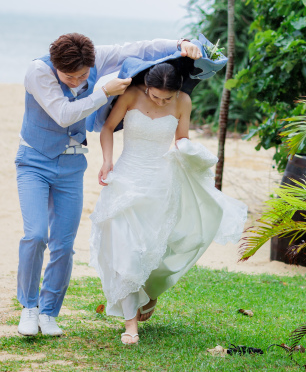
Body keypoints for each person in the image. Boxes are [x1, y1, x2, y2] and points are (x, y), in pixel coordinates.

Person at [15, 33, 202, 337]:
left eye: (83, 75)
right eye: (69, 77)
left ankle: (49, 312)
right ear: (55, 67)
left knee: (63, 244)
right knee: (36, 235)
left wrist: (181, 43)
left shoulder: (98, 58)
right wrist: (102, 91)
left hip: (72, 163)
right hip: (34, 161)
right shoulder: (38, 71)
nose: (76, 81)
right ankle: (29, 308)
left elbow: (140, 47)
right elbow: (64, 114)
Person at [89, 61, 247, 345]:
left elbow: (181, 138)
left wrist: (193, 152)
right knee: (125, 248)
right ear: (146, 87)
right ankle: (130, 325)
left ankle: (149, 292)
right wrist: (107, 161)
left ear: (177, 92)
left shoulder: (183, 101)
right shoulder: (131, 95)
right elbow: (108, 129)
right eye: (155, 96)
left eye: (167, 98)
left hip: (161, 181)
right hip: (126, 177)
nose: (161, 102)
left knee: (153, 249)